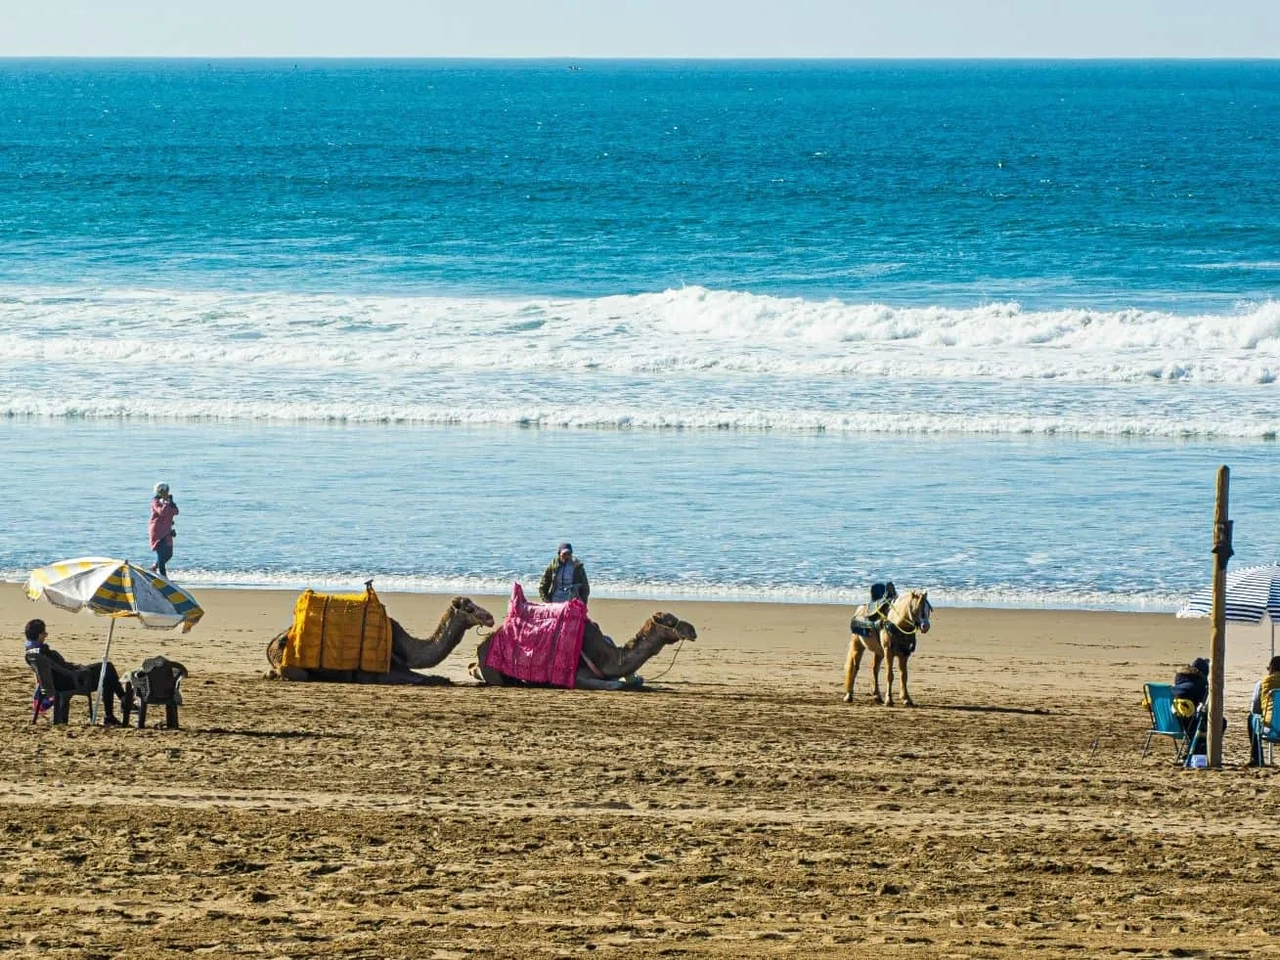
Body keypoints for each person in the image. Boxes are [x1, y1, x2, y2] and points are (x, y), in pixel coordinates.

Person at [24, 618, 126, 726]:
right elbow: (62, 669)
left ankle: (117, 706)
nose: (46, 636)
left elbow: (58, 668)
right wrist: (79, 669)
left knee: (105, 672)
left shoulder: (31, 652)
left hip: (58, 682)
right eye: (45, 633)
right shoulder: (45, 652)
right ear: (39, 635)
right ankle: (120, 703)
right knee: (107, 669)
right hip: (71, 681)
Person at [1171, 657, 1210, 755]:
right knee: (1219, 722)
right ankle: (1199, 749)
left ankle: (1194, 748)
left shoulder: (1179, 680)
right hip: (1186, 722)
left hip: (1170, 720)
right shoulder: (1200, 683)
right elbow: (1205, 703)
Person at [1248, 655, 1280, 766]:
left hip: (1271, 729)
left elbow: (1255, 710)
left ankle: (1257, 758)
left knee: (1251, 718)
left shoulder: (1262, 684)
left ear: (1271, 669)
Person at [148, 482, 179, 578]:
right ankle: (163, 577)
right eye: (164, 491)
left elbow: (176, 512)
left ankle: (154, 567)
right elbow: (162, 512)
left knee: (169, 554)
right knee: (161, 554)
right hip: (158, 531)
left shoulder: (169, 501)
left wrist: (170, 502)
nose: (166, 492)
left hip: (167, 530)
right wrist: (165, 502)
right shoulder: (155, 501)